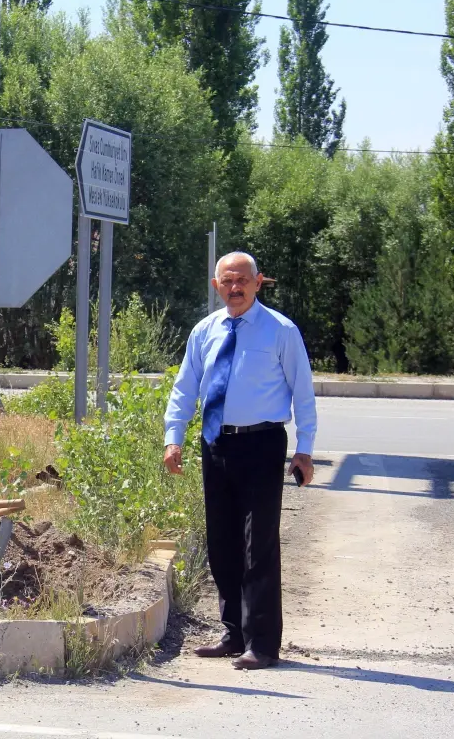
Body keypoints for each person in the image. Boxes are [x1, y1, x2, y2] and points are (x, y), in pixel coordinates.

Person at [163, 252, 317, 671]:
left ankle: (263, 643)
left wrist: (305, 449)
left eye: (242, 281)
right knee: (222, 541)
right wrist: (172, 438)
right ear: (217, 287)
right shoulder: (204, 331)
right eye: (227, 282)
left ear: (258, 282)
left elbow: (303, 392)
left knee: (258, 545)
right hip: (216, 443)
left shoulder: (280, 330)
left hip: (263, 444)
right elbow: (184, 388)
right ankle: (233, 632)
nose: (235, 288)